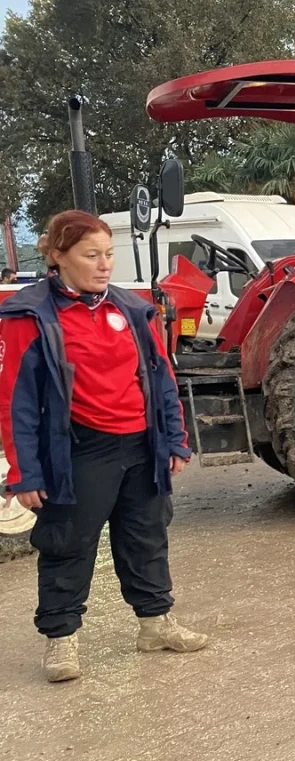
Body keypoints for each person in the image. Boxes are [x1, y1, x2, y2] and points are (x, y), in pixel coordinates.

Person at [0, 210, 208, 683]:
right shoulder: (30, 315)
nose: (103, 265)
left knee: (146, 538)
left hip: (141, 446)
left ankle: (154, 625)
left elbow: (162, 379)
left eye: (108, 254)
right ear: (58, 257)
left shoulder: (133, 310)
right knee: (67, 544)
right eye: (91, 255)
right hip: (80, 451)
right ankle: (61, 640)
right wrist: (25, 471)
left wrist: (173, 438)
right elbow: (17, 400)